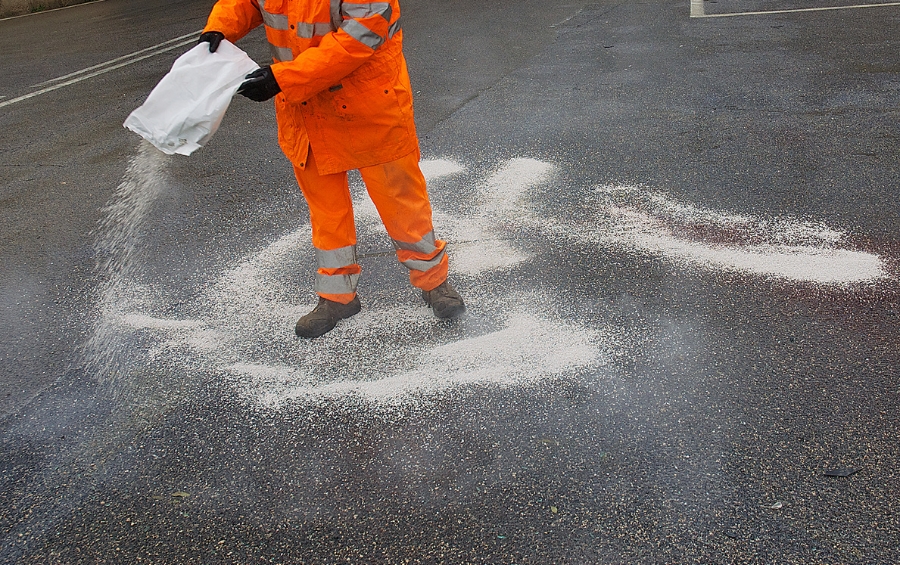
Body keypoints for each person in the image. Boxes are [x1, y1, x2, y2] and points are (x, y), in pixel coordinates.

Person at [199, 0, 465, 338]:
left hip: (368, 103)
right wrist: (219, 27)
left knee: (401, 202)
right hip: (307, 108)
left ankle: (434, 283)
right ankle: (337, 297)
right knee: (327, 212)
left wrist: (282, 78)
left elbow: (358, 39)